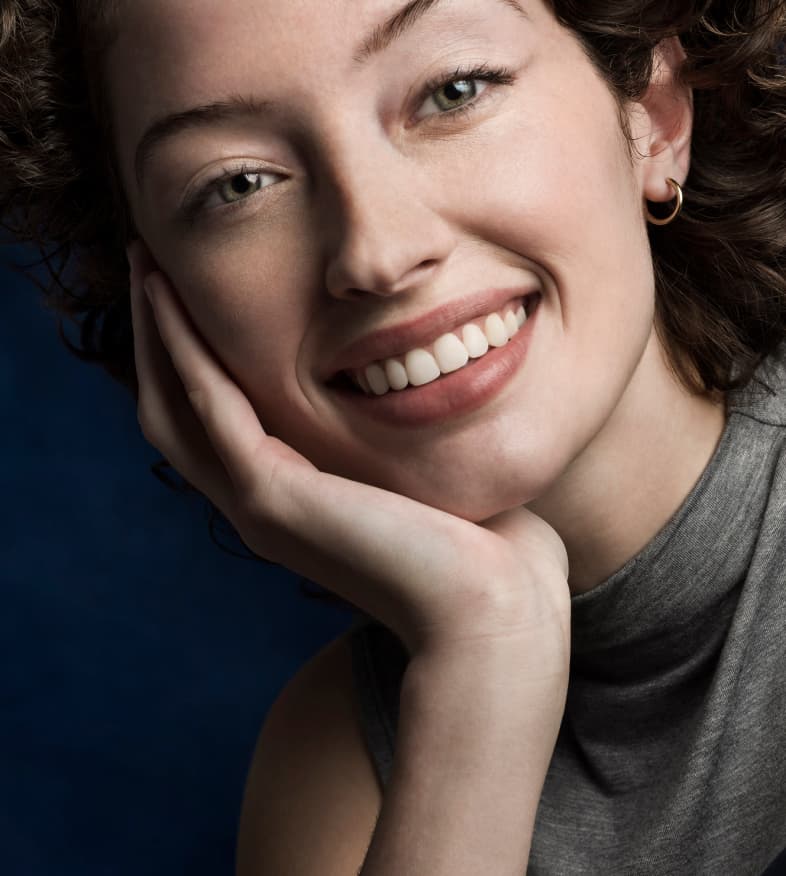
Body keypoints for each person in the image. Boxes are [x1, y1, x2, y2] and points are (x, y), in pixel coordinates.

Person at [2, 0, 785, 872]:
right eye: (238, 184)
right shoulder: (338, 766)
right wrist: (487, 655)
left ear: (654, 116)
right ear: (165, 304)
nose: (375, 252)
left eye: (454, 91)